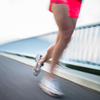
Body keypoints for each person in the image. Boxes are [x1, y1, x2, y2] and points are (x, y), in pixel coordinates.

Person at [33, 0, 82, 97]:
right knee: (66, 34)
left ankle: (41, 60)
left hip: (76, 2)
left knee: (64, 40)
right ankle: (49, 78)